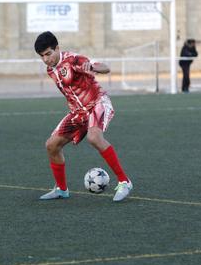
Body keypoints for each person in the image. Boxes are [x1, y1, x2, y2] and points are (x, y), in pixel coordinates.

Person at [34, 31, 133, 202]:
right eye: (42, 56)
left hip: (97, 103)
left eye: (48, 54)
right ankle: (61, 189)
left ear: (57, 48)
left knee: (94, 137)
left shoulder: (74, 60)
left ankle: (125, 182)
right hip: (78, 113)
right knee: (51, 145)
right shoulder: (51, 69)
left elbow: (105, 67)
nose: (46, 59)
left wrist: (93, 67)